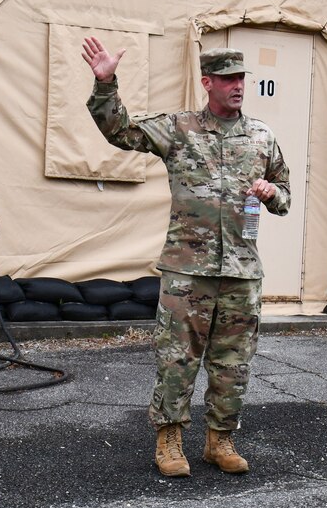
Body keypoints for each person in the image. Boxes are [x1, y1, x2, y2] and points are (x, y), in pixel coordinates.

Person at [82, 40, 290, 477]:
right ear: (207, 82)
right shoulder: (180, 128)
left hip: (241, 270)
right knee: (177, 357)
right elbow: (122, 132)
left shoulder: (261, 137)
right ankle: (170, 440)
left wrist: (273, 194)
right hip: (186, 269)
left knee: (233, 361)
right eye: (229, 79)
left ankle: (221, 439)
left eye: (242, 78)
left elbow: (284, 196)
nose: (238, 86)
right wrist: (105, 83)